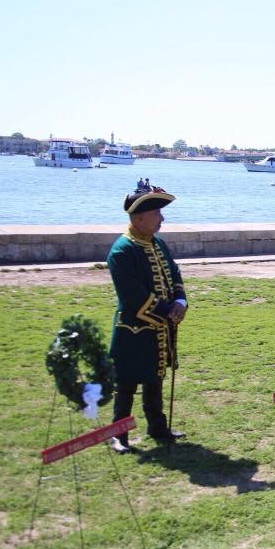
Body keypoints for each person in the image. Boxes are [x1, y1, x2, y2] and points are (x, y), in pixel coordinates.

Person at [107, 181, 188, 453]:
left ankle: (158, 427)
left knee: (155, 378)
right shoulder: (122, 251)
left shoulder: (159, 244)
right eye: (157, 214)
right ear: (139, 218)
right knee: (126, 383)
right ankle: (119, 434)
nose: (162, 219)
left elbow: (174, 274)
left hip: (161, 328)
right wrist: (168, 311)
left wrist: (180, 301)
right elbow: (133, 295)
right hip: (134, 329)